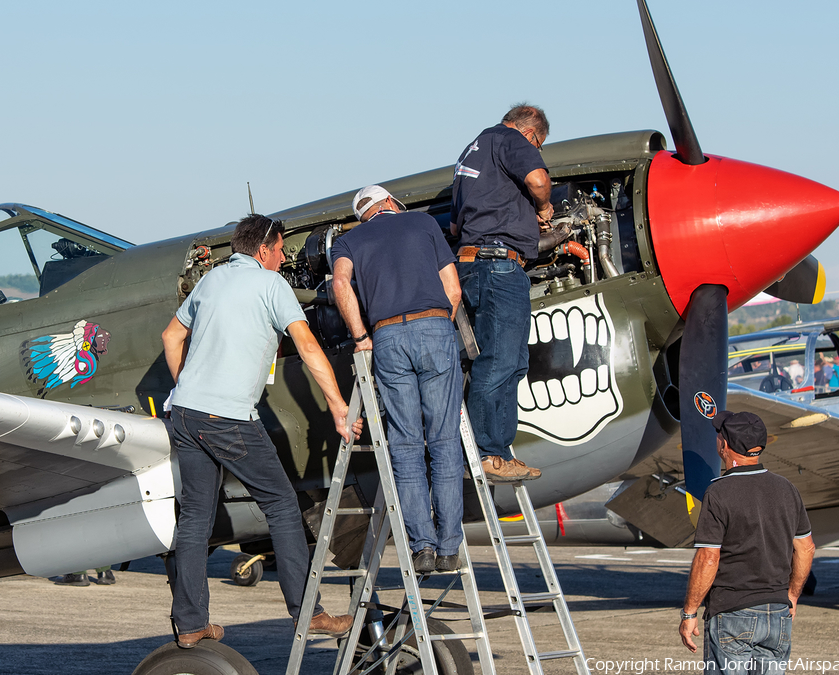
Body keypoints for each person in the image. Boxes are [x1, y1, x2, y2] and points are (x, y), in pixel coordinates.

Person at [161, 214, 361, 649]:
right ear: (266, 249)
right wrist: (339, 407)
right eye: (281, 251)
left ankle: (191, 622)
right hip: (228, 419)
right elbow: (307, 345)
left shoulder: (211, 281)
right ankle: (307, 613)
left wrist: (186, 387)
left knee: (195, 516)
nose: (283, 259)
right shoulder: (273, 287)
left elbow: (171, 336)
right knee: (283, 505)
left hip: (186, 414)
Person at [332, 185, 465, 574]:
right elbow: (453, 288)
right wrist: (439, 324)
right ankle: (449, 548)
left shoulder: (348, 241)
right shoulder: (422, 222)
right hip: (434, 326)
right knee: (443, 440)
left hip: (386, 337)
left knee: (404, 445)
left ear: (363, 215)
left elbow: (340, 284)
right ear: (389, 203)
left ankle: (421, 547)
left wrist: (360, 337)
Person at [449, 103, 552, 482]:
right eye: (538, 145)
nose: (535, 150)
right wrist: (543, 208)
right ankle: (489, 453)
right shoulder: (510, 139)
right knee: (500, 360)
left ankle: (496, 450)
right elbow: (538, 180)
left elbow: (457, 227)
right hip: (499, 265)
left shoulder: (471, 152)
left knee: (508, 361)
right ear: (530, 134)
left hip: (471, 264)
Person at [679, 411, 815, 674]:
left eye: (719, 434)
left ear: (724, 445)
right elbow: (806, 547)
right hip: (777, 613)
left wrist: (689, 612)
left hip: (732, 612)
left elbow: (708, 557)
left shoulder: (718, 492)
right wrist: (792, 596)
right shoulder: (787, 488)